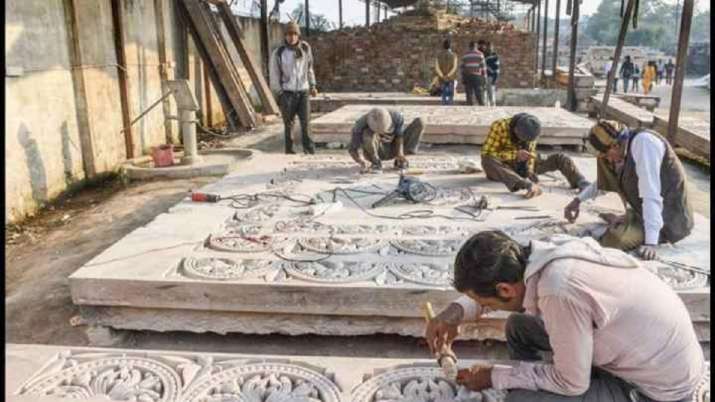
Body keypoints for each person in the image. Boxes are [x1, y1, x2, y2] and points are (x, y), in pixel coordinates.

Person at [425, 230, 707, 402]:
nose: (483, 307)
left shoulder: (559, 291)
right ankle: (544, 380)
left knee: (521, 400)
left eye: (481, 302)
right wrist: (455, 313)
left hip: (656, 392)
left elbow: (572, 384)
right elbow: (499, 292)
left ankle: (543, 386)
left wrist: (495, 376)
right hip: (641, 353)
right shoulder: (542, 255)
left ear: (504, 289)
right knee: (519, 326)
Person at [563, 120, 694, 260]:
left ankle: (636, 226)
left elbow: (651, 194)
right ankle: (628, 220)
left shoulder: (644, 144)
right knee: (605, 164)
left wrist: (651, 243)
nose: (608, 159)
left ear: (616, 145)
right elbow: (603, 181)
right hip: (643, 212)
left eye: (608, 154)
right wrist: (577, 200)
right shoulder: (620, 147)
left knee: (614, 241)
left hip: (669, 217)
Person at [481, 113, 590, 199]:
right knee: (488, 161)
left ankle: (582, 183)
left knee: (560, 158)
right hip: (504, 166)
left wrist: (529, 171)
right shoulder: (499, 126)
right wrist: (515, 155)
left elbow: (531, 152)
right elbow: (486, 152)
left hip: (522, 164)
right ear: (515, 131)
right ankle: (524, 184)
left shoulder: (533, 127)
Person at [269, 21, 318, 154]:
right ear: (285, 36)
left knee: (306, 123)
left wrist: (312, 84)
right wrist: (279, 93)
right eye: (289, 34)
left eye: (295, 34)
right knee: (288, 124)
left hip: (303, 92)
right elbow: (274, 75)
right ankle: (289, 152)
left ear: (298, 35)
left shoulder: (305, 48)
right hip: (287, 93)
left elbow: (309, 68)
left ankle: (309, 151)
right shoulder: (279, 53)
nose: (292, 37)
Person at [348, 107, 424, 173]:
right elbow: (352, 149)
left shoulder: (396, 116)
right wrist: (361, 162)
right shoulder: (360, 125)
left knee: (420, 122)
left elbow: (399, 136)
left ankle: (400, 160)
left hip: (394, 147)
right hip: (376, 150)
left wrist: (400, 154)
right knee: (366, 134)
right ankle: (376, 162)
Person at [461, 41, 487, 106]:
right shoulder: (480, 54)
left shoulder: (465, 55)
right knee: (479, 93)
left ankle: (470, 106)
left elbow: (462, 67)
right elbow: (483, 67)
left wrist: (463, 77)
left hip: (468, 76)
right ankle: (482, 106)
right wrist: (484, 77)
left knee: (469, 94)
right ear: (476, 46)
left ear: (469, 47)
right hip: (477, 76)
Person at [435, 38, 459, 105]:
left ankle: (443, 103)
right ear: (450, 46)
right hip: (451, 77)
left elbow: (437, 67)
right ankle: (450, 104)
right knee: (451, 93)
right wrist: (448, 75)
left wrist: (442, 75)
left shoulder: (438, 55)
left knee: (443, 92)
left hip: (442, 77)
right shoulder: (454, 55)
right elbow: (454, 67)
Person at [484, 41, 500, 106]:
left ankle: (492, 104)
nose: (489, 48)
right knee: (485, 91)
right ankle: (486, 104)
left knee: (491, 90)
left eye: (490, 47)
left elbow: (497, 67)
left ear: (492, 47)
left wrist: (495, 76)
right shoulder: (484, 55)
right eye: (488, 47)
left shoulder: (495, 56)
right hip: (485, 75)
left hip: (491, 76)